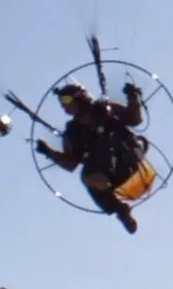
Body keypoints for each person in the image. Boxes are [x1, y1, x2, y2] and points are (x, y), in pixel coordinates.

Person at [35, 80, 146, 233]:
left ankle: (119, 206)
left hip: (127, 156)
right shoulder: (72, 132)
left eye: (66, 100)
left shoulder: (104, 109)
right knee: (87, 176)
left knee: (104, 143)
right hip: (110, 176)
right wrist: (49, 152)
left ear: (79, 97)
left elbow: (134, 119)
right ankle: (121, 211)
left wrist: (132, 97)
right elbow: (70, 164)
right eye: (61, 103)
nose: (63, 105)